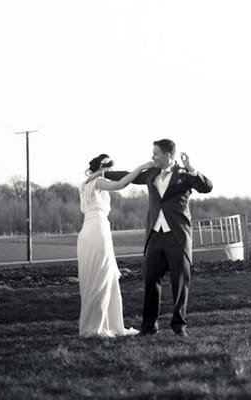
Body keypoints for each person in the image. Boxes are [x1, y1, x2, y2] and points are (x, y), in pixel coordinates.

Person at [105, 139, 213, 336]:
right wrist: (102, 174)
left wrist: (192, 169)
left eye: (155, 153)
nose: (152, 157)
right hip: (155, 236)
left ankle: (179, 327)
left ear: (167, 155)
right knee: (150, 280)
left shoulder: (185, 175)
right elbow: (127, 176)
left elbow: (207, 187)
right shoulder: (152, 173)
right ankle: (148, 327)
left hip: (177, 236)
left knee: (180, 283)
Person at [77, 154, 155, 337]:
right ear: (104, 168)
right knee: (101, 277)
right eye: (110, 170)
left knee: (99, 277)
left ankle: (106, 323)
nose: (112, 174)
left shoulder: (84, 184)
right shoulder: (98, 182)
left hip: (88, 231)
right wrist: (141, 167)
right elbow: (120, 184)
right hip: (97, 231)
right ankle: (97, 326)